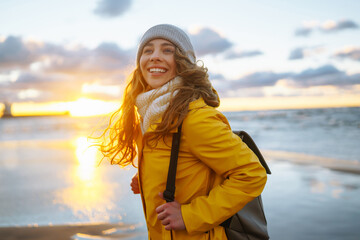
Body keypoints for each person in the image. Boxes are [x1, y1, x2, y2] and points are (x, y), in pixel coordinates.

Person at [100, 24, 267, 239]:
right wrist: (149, 176)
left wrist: (190, 215)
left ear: (183, 63)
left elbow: (252, 174)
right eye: (147, 50)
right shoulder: (152, 114)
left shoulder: (194, 118)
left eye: (167, 50)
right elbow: (181, 163)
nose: (154, 57)